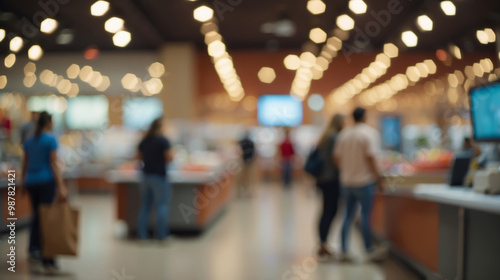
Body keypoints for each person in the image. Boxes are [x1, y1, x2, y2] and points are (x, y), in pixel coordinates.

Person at [334, 107, 386, 262]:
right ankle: (368, 249)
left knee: (347, 215)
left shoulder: (344, 134)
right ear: (364, 117)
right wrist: (378, 178)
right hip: (364, 182)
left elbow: (336, 158)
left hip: (346, 181)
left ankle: (344, 249)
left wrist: (346, 170)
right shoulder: (369, 133)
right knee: (365, 215)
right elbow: (371, 158)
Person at [21, 111, 68, 274]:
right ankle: (48, 258)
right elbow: (54, 164)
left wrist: (21, 183)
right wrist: (61, 186)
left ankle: (34, 249)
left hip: (31, 181)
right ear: (48, 122)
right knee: (47, 218)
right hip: (46, 181)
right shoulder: (50, 139)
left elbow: (24, 163)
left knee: (36, 215)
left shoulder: (28, 140)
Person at [137, 117, 173, 241]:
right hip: (159, 176)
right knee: (161, 206)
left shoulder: (144, 141)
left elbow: (138, 158)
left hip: (145, 176)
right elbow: (169, 158)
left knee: (145, 206)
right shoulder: (163, 141)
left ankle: (142, 236)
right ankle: (162, 236)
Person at [316, 114, 344, 258]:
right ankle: (323, 243)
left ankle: (322, 243)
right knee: (330, 211)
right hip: (332, 179)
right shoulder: (334, 138)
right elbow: (336, 159)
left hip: (322, 179)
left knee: (326, 210)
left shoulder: (324, 137)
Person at [238, 130, 256, 197]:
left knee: (248, 178)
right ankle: (244, 191)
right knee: (244, 178)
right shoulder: (245, 142)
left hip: (247, 161)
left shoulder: (249, 142)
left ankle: (247, 192)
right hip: (246, 161)